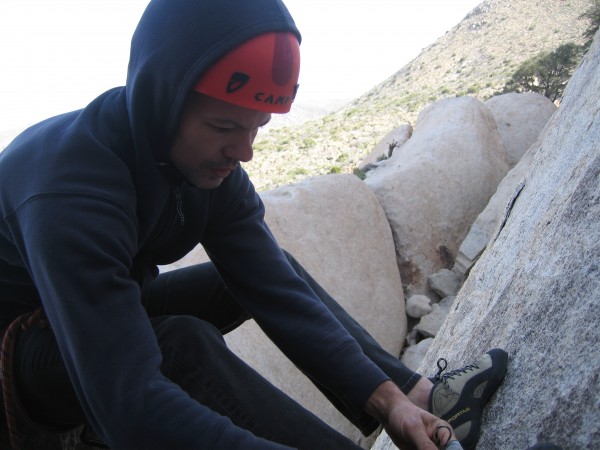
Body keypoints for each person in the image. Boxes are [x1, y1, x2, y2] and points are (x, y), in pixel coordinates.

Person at [0, 0, 508, 449]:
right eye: (224, 126)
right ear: (163, 101)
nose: (243, 151)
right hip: (21, 346)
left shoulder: (200, 166)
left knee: (250, 277)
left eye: (256, 127)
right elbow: (130, 406)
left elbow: (273, 287)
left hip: (89, 308)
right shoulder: (70, 193)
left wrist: (387, 401)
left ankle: (419, 394)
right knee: (179, 343)